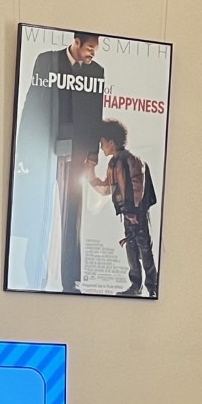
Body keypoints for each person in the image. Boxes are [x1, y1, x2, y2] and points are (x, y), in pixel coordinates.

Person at [11, 31, 104, 292]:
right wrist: (23, 150)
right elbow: (31, 102)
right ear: (75, 43)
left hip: (77, 152)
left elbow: (96, 112)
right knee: (39, 210)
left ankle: (71, 280)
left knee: (72, 213)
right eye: (89, 47)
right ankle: (34, 277)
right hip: (43, 146)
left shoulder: (96, 71)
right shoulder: (46, 61)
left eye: (95, 49)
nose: (92, 53)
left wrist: (93, 156)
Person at [88, 118, 159, 298]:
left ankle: (152, 287)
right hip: (128, 214)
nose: (101, 146)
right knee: (132, 249)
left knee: (144, 249)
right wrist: (91, 178)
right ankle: (136, 286)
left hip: (136, 214)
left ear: (111, 142)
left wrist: (133, 211)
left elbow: (138, 187)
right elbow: (108, 189)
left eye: (102, 143)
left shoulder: (131, 160)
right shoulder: (114, 163)